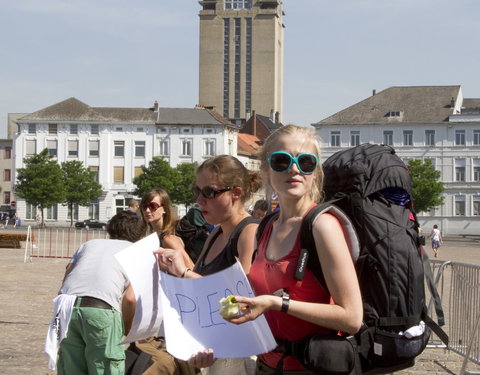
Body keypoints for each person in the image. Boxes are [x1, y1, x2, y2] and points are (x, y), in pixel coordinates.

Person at [228, 124, 363, 374]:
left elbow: (352, 317)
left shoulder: (322, 226)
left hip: (311, 367)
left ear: (315, 171)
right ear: (266, 170)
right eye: (281, 161)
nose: (294, 169)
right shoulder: (267, 225)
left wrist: (279, 303)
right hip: (267, 365)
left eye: (306, 162)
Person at [157, 154, 262, 375]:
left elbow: (243, 303)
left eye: (209, 192)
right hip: (213, 350)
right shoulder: (217, 233)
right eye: (197, 191)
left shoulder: (249, 231)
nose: (199, 200)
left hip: (236, 354)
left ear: (236, 193)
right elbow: (199, 290)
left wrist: (184, 273)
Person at [49, 210, 147, 375]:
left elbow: (67, 276)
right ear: (140, 234)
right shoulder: (137, 251)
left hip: (67, 307)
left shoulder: (90, 244)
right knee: (105, 367)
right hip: (101, 308)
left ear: (110, 229)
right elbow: (130, 299)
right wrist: (127, 329)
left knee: (71, 366)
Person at [137, 189, 196, 375]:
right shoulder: (153, 237)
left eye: (153, 206)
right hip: (165, 304)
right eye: (144, 206)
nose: (147, 210)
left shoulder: (168, 238)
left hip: (177, 306)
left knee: (181, 358)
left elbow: (190, 269)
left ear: (164, 209)